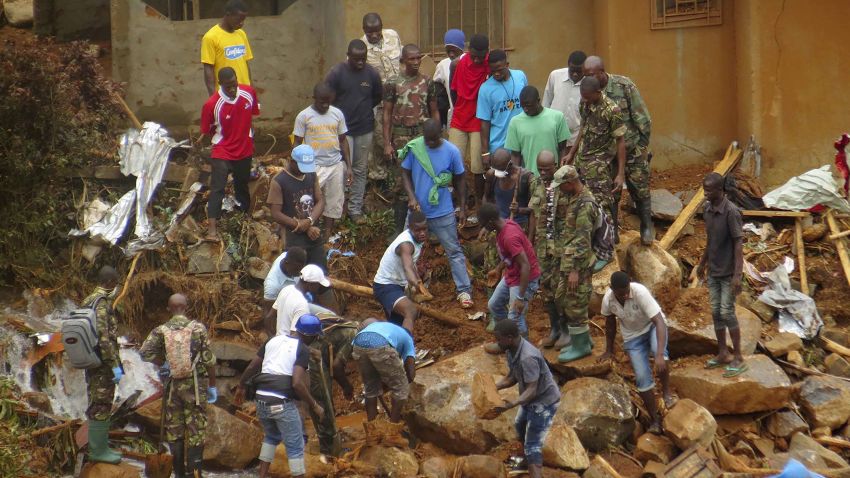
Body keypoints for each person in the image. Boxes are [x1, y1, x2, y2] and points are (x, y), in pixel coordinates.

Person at [140, 294, 217, 478]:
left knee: (174, 430)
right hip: (195, 388)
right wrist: (212, 386)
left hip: (172, 387)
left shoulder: (161, 330)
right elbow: (209, 360)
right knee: (196, 430)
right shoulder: (198, 329)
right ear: (186, 307)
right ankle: (194, 473)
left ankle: (179, 474)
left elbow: (144, 352)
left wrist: (164, 363)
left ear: (169, 308)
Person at [238, 314, 325, 478]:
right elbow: (297, 383)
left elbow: (252, 366)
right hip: (281, 403)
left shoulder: (273, 340)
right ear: (309, 335)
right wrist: (315, 405)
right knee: (295, 444)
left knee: (271, 436)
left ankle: (261, 475)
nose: (314, 339)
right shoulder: (302, 349)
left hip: (261, 400)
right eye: (314, 336)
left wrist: (241, 386)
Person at [400, 119, 474, 308]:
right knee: (409, 251)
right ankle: (409, 289)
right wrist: (411, 197)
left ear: (442, 133)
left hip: (443, 212)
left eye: (433, 140)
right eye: (427, 140)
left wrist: (463, 208)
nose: (430, 144)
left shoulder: (452, 151)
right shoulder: (416, 148)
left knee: (454, 251)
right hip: (417, 213)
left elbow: (460, 180)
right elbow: (405, 173)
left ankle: (464, 291)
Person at [583, 55, 654, 245]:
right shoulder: (589, 91)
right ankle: (612, 228)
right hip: (607, 155)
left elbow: (643, 119)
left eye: (591, 74)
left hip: (632, 149)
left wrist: (641, 148)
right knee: (610, 193)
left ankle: (646, 225)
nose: (587, 78)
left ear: (601, 72)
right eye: (585, 75)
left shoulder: (623, 85)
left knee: (639, 187)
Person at [598, 272, 673, 434]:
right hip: (632, 336)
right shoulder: (608, 300)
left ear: (630, 283)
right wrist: (609, 350)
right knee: (641, 376)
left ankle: (667, 392)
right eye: (620, 293)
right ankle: (655, 420)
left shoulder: (640, 292)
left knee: (659, 352)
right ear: (612, 289)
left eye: (626, 291)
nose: (625, 295)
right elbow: (610, 324)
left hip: (652, 327)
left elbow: (659, 321)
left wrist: (659, 354)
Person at [491, 320, 561, 478]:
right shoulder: (511, 350)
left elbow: (532, 389)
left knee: (532, 444)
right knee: (520, 425)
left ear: (509, 337)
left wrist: (512, 404)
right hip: (530, 399)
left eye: (499, 339)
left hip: (544, 401)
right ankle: (524, 463)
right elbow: (512, 377)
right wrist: (493, 388)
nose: (497, 343)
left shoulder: (527, 357)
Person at [563, 75, 625, 249]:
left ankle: (607, 244)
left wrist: (620, 174)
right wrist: (572, 154)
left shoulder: (612, 110)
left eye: (588, 96)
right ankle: (590, 239)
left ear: (598, 92)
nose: (584, 100)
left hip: (599, 163)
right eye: (583, 96)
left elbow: (620, 141)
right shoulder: (585, 103)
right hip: (582, 158)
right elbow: (582, 128)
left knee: (602, 203)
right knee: (580, 200)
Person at [382, 43, 439, 232]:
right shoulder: (392, 83)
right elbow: (387, 114)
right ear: (403, 61)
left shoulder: (427, 81)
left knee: (425, 180)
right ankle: (399, 231)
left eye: (418, 58)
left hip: (423, 138)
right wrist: (387, 143)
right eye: (411, 59)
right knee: (400, 185)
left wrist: (437, 135)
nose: (415, 62)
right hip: (401, 139)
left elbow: (434, 110)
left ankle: (425, 227)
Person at [198, 66, 260, 241]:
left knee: (242, 184)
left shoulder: (248, 93)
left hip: (244, 148)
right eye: (228, 87)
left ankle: (245, 220)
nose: (232, 89)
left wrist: (249, 138)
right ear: (220, 84)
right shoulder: (212, 104)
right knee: (217, 187)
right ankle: (212, 230)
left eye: (234, 85)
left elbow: (252, 116)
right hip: (222, 148)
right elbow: (207, 129)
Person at [325, 39, 382, 222]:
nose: (360, 62)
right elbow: (327, 98)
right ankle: (338, 210)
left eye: (363, 58)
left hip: (365, 129)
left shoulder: (371, 74)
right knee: (342, 169)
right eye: (356, 59)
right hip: (343, 132)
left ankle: (355, 209)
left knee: (360, 169)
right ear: (348, 56)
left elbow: (376, 97)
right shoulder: (336, 73)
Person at [697, 172, 746, 377]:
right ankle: (722, 352)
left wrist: (737, 275)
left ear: (720, 190)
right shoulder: (708, 210)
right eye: (704, 189)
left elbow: (738, 244)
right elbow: (710, 241)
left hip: (728, 273)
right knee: (716, 313)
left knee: (727, 312)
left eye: (708, 190)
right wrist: (701, 264)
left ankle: (739, 357)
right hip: (714, 272)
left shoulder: (731, 212)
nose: (705, 193)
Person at [551, 165, 598, 363]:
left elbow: (583, 239)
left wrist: (575, 271)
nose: (560, 189)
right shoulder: (575, 198)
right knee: (566, 299)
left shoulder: (585, 204)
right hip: (568, 260)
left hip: (577, 264)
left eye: (562, 185)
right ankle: (583, 340)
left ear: (570, 183)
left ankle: (581, 347)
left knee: (575, 302)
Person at [479, 202, 541, 352]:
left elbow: (525, 265)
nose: (483, 228)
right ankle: (505, 341)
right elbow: (509, 256)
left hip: (524, 279)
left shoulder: (509, 236)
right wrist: (498, 268)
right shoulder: (504, 226)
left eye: (484, 225)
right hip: (513, 274)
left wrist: (520, 297)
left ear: (491, 222)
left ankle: (524, 351)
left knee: (515, 317)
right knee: (494, 305)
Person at [294, 83, 352, 239]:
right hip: (314, 165)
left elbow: (343, 141)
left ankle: (327, 234)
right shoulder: (304, 116)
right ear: (314, 99)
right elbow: (297, 142)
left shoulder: (337, 114)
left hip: (335, 164)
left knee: (334, 200)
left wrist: (349, 165)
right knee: (310, 200)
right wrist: (296, 165)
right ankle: (310, 229)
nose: (325, 105)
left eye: (328, 101)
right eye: (322, 102)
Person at [83, 266, 123, 464]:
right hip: (102, 363)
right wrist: (114, 364)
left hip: (91, 360)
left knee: (96, 402)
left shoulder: (88, 300)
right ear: (109, 283)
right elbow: (104, 338)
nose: (116, 287)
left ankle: (100, 447)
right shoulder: (101, 303)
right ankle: (98, 451)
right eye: (115, 283)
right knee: (101, 404)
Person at [527, 151, 568, 349]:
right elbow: (533, 215)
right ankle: (555, 329)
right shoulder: (535, 184)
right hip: (543, 247)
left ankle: (566, 331)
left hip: (561, 246)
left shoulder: (564, 185)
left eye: (546, 168)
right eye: (540, 168)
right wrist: (530, 240)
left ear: (555, 165)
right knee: (547, 289)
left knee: (562, 290)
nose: (543, 172)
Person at [267, 144, 326, 269]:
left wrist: (309, 221)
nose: (303, 170)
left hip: (314, 235)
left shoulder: (311, 175)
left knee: (320, 273)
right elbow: (276, 213)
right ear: (291, 161)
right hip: (293, 239)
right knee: (296, 277)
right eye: (300, 167)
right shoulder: (279, 181)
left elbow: (320, 200)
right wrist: (300, 225)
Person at [449, 33, 490, 214]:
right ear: (468, 50)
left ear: (486, 53)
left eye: (480, 56)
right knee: (453, 162)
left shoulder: (490, 64)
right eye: (473, 55)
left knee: (477, 165)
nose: (476, 59)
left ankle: (481, 203)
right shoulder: (457, 64)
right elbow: (453, 91)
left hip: (478, 119)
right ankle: (462, 202)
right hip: (459, 117)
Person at [362, 13, 402, 190]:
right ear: (364, 30)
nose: (374, 35)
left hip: (401, 98)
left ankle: (400, 174)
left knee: (399, 136)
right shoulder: (360, 47)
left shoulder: (393, 35)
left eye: (377, 31)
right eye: (370, 32)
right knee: (379, 139)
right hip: (378, 102)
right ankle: (379, 178)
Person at [373, 210, 430, 332]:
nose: (422, 233)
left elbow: (412, 263)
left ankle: (396, 348)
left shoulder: (415, 239)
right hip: (386, 286)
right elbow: (407, 267)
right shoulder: (406, 244)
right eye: (418, 230)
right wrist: (417, 285)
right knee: (410, 311)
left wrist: (418, 281)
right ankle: (407, 346)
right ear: (409, 228)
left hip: (397, 286)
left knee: (397, 326)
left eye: (425, 229)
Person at [352, 318, 416, 423]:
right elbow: (410, 370)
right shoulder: (408, 338)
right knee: (401, 389)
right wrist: (403, 383)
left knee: (370, 390)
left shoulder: (386, 327)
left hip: (358, 343)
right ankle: (393, 427)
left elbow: (378, 367)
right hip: (380, 343)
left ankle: (372, 428)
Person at [504, 86, 571, 176]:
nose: (525, 109)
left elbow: (563, 148)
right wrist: (517, 178)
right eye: (523, 106)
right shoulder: (515, 122)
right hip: (530, 178)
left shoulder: (557, 117)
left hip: (554, 177)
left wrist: (561, 172)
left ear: (538, 101)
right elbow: (515, 155)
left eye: (529, 106)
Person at [477, 50, 528, 160]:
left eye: (499, 70)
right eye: (493, 71)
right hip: (500, 146)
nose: (496, 74)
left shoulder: (520, 76)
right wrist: (485, 152)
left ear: (507, 65)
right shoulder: (485, 89)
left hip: (523, 142)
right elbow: (485, 123)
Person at [201, 0, 253, 97]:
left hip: (244, 93)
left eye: (244, 20)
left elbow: (246, 63)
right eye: (239, 19)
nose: (242, 23)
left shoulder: (242, 34)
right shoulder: (211, 37)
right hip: (225, 94)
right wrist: (214, 97)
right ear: (228, 15)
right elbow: (208, 69)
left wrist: (251, 90)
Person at [268, 264, 331, 337]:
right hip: (287, 345)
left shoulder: (286, 289)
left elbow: (269, 317)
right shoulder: (302, 304)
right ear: (311, 284)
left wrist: (273, 339)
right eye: (318, 284)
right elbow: (294, 336)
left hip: (278, 339)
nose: (319, 287)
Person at [543, 50, 586, 148]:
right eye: (572, 70)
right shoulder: (555, 76)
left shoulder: (588, 83)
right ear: (568, 66)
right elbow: (546, 103)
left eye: (579, 71)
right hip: (553, 135)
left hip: (576, 138)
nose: (575, 74)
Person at [483, 148, 534, 229]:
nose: (497, 173)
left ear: (510, 165)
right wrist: (486, 222)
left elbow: (533, 210)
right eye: (496, 169)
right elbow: (486, 197)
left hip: (519, 226)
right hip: (498, 224)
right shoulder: (492, 175)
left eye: (501, 169)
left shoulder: (525, 178)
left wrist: (519, 210)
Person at [433, 29, 465, 129]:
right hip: (453, 115)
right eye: (448, 51)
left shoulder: (469, 61)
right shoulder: (442, 65)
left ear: (461, 48)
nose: (451, 54)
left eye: (454, 50)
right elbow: (436, 88)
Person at [262, 247, 308, 314]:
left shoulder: (287, 256)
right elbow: (268, 316)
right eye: (296, 269)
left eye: (301, 268)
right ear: (286, 263)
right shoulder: (272, 285)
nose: (299, 273)